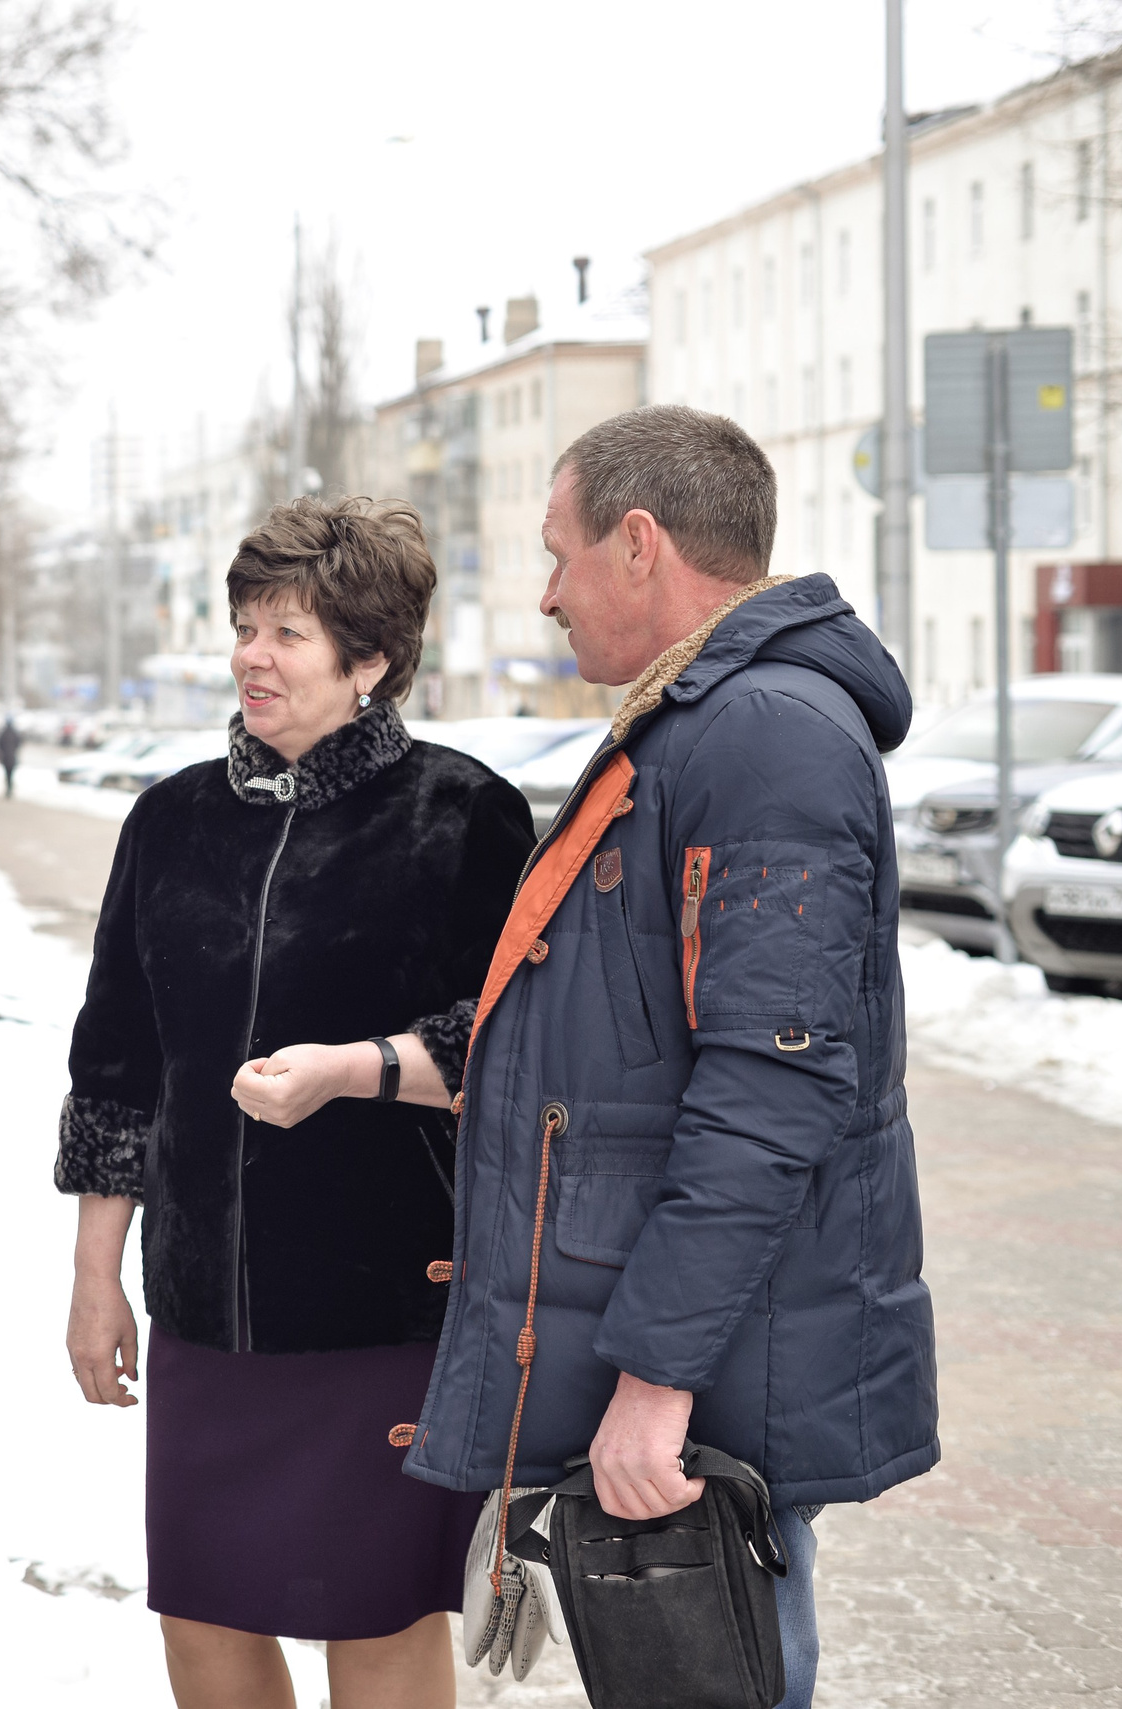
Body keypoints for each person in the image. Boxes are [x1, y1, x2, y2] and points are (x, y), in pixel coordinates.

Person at [402, 406, 937, 1709]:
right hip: (701, 1346)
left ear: (638, 544)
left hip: (709, 1374)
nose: (544, 595)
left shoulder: (765, 738)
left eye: (558, 552)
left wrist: (655, 1381)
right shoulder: (708, 719)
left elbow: (773, 1084)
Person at [61, 497, 536, 1709]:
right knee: (201, 1613)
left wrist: (352, 1065)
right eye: (243, 626)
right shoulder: (168, 820)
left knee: (373, 1617)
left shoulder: (460, 812)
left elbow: (509, 1048)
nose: (251, 657)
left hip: (380, 1309)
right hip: (205, 1307)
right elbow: (116, 1066)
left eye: (286, 633)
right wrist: (96, 1274)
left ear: (368, 662)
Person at [0, 717, 23, 798]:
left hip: (5, 757)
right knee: (11, 774)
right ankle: (9, 788)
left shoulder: (3, 733)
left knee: (7, 773)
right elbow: (18, 743)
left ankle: (8, 788)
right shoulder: (14, 733)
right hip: (11, 756)